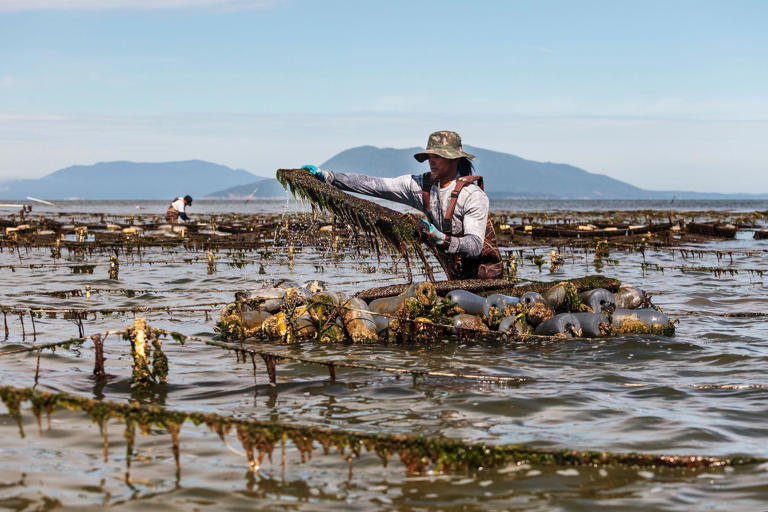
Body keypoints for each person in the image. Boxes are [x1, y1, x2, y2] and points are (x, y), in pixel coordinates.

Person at [303, 131, 503, 280]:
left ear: (455, 159)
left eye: (438, 156)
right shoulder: (419, 186)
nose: (431, 162)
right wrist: (329, 177)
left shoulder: (473, 196)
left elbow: (475, 246)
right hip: (455, 277)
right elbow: (374, 185)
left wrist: (440, 238)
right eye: (429, 157)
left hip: (485, 278)